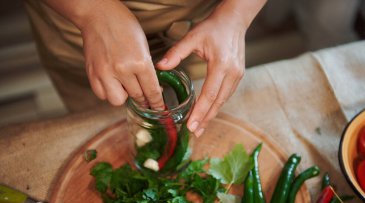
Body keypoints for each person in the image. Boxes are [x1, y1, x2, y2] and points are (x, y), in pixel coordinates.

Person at [24, 0, 267, 137]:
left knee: (197, 106)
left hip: (204, 26)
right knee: (101, 125)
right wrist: (92, 11)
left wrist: (237, 14)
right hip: (77, 27)